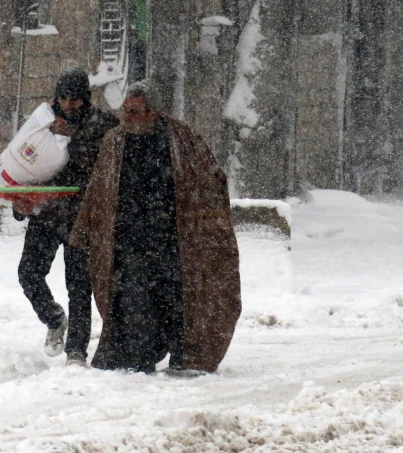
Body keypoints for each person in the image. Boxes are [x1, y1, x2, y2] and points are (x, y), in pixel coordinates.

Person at [69, 82, 241, 373]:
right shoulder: (114, 141)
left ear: (154, 111)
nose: (129, 118)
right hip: (128, 238)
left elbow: (210, 179)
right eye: (126, 111)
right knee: (133, 301)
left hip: (171, 238)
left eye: (136, 111)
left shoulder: (181, 138)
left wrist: (203, 220)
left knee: (177, 301)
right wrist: (84, 232)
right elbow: (99, 188)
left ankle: (182, 357)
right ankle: (137, 357)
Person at [16, 67, 118, 364]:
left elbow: (102, 166)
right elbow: (25, 163)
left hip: (81, 218)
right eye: (63, 98)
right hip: (46, 215)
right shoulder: (41, 122)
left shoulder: (103, 125)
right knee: (29, 274)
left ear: (85, 98)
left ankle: (76, 351)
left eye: (74, 99)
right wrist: (20, 204)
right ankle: (54, 318)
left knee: (79, 287)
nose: (68, 104)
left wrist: (71, 138)